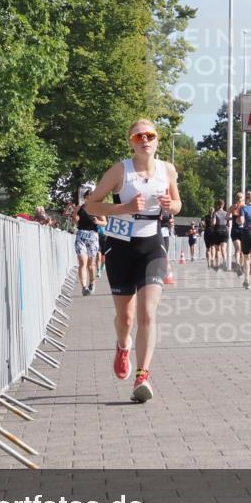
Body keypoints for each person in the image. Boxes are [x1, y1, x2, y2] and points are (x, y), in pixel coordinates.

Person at [82, 119, 181, 403]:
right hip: (121, 246)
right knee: (126, 318)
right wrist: (124, 207)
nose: (144, 140)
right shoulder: (119, 171)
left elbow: (177, 203)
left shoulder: (167, 170)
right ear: (131, 142)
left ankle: (143, 375)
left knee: (148, 312)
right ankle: (123, 345)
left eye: (149, 135)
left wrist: (169, 206)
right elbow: (91, 205)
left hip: (152, 245)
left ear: (157, 140)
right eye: (138, 137)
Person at [74, 185, 106, 295]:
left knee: (90, 264)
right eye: (88, 196)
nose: (90, 197)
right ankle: (84, 287)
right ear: (86, 197)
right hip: (81, 235)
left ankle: (92, 283)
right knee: (82, 262)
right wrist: (75, 217)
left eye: (92, 196)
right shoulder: (79, 208)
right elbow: (75, 220)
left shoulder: (97, 209)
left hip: (92, 236)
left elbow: (105, 222)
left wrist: (97, 222)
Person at [211, 199, 230, 270]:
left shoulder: (215, 213)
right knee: (223, 249)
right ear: (223, 205)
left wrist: (212, 225)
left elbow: (213, 223)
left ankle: (217, 265)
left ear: (217, 205)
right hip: (225, 231)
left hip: (217, 231)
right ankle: (224, 262)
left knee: (217, 249)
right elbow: (228, 224)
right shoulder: (226, 213)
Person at [229, 191, 245, 275]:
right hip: (242, 231)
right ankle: (240, 266)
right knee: (241, 250)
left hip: (235, 230)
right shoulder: (244, 207)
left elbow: (226, 217)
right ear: (242, 199)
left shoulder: (233, 206)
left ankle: (239, 266)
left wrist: (233, 219)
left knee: (238, 250)